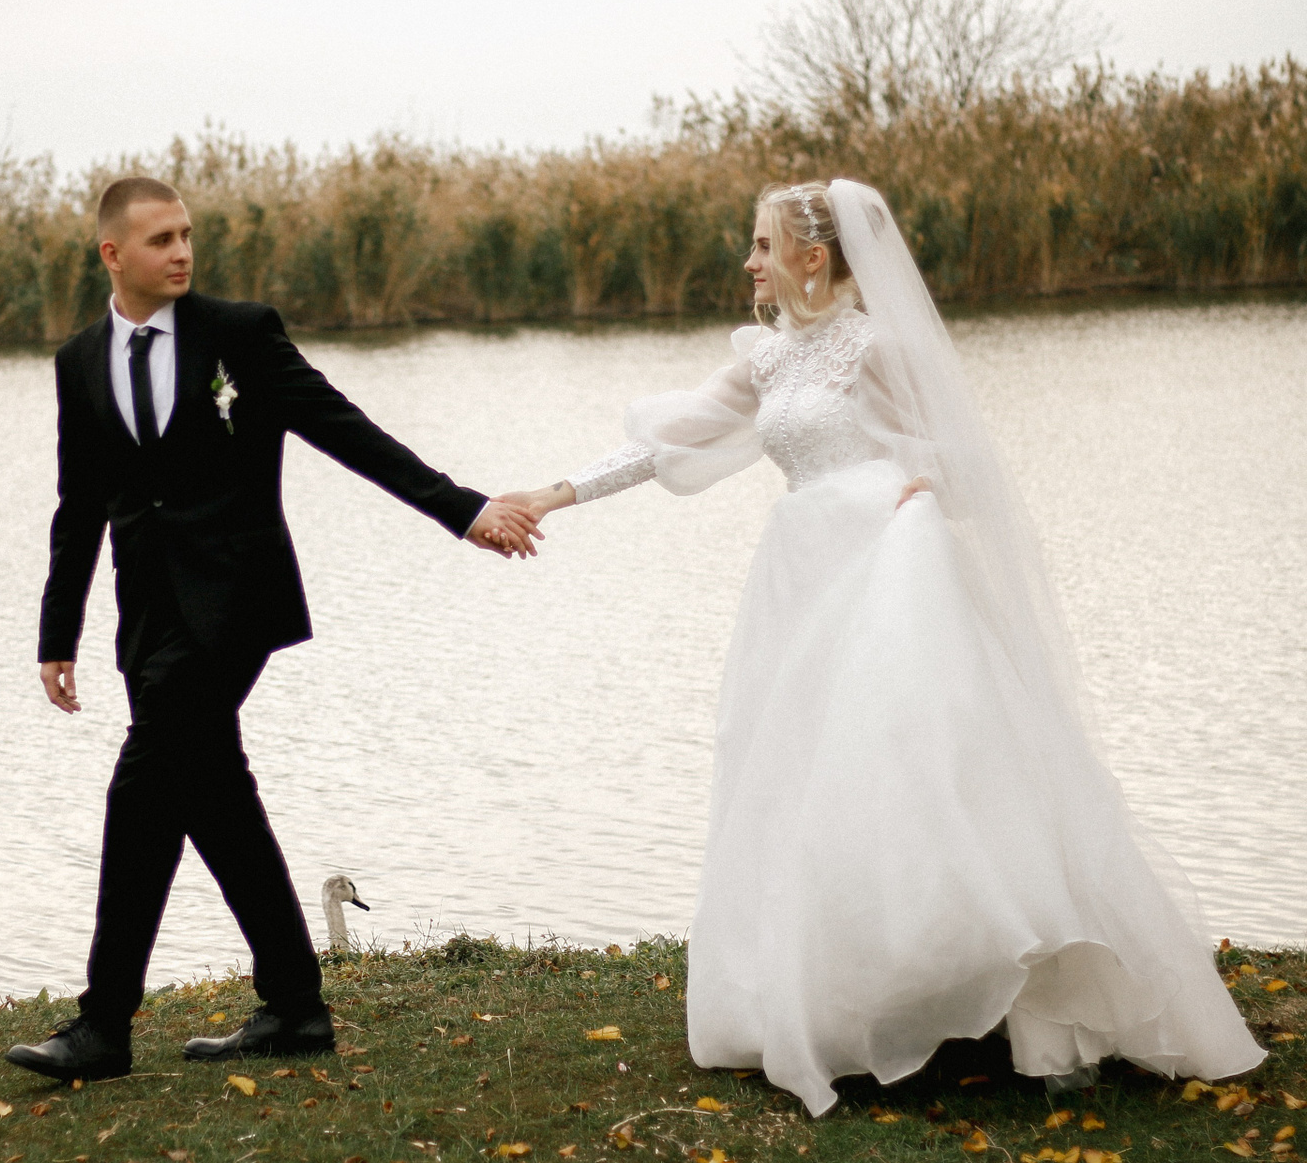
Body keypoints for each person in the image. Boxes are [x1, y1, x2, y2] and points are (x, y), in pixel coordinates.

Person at [491, 179, 1264, 1116]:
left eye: (763, 244)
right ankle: (847, 992)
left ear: (813, 257)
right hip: (801, 574)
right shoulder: (770, 359)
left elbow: (956, 451)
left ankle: (988, 972)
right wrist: (551, 495)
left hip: (886, 565)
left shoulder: (875, 347)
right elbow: (667, 445)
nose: (750, 261)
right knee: (801, 773)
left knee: (907, 766)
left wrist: (925, 482)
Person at [6, 177, 542, 1082]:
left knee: (143, 790)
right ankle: (294, 1007)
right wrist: (58, 632)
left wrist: (462, 509)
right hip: (148, 619)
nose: (182, 252)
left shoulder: (240, 334)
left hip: (236, 604)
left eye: (187, 234)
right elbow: (80, 503)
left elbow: (343, 428)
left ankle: (104, 1025)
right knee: (212, 795)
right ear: (112, 254)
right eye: (161, 240)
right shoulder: (78, 360)